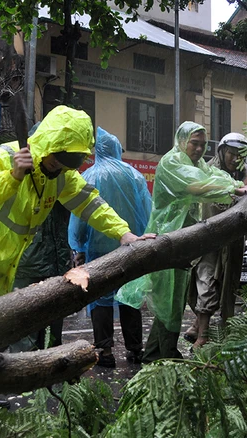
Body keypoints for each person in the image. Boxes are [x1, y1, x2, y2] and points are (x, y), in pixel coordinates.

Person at [0, 105, 154, 313]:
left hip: (7, 262)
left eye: (66, 164)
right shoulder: (5, 156)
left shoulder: (63, 175)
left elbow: (91, 204)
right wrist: (13, 177)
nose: (58, 167)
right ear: (47, 145)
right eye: (56, 160)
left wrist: (123, 233)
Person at [117, 122, 247, 363]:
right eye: (194, 143)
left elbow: (212, 175)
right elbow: (195, 184)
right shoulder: (172, 162)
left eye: (203, 144)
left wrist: (240, 183)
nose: (199, 148)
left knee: (173, 301)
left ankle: (155, 354)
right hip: (167, 239)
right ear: (182, 141)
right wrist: (236, 188)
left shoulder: (199, 164)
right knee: (168, 301)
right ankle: (167, 356)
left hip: (185, 243)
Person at [68, 127, 152, 367]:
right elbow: (146, 211)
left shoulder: (89, 176)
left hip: (97, 251)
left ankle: (104, 351)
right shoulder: (134, 175)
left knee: (100, 301)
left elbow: (80, 216)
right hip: (129, 248)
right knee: (129, 299)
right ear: (116, 149)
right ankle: (135, 349)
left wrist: (78, 247)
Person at [184, 132, 247, 349]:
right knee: (205, 281)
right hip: (210, 237)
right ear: (222, 151)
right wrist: (237, 189)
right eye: (231, 153)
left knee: (228, 286)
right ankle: (203, 335)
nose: (235, 159)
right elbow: (213, 198)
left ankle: (209, 328)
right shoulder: (210, 170)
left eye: (240, 155)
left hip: (234, 241)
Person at [11, 122, 71, 351]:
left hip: (57, 263)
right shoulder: (23, 173)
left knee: (54, 332)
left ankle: (52, 377)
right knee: (26, 331)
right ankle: (23, 379)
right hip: (29, 264)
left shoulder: (63, 176)